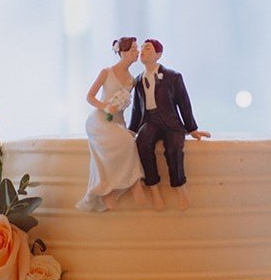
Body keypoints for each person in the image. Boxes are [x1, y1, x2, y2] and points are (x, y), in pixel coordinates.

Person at [128, 39, 210, 210]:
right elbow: (136, 108)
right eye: (141, 48)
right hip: (150, 121)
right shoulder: (138, 81)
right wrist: (131, 130)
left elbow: (184, 103)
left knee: (173, 148)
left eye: (147, 48)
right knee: (143, 143)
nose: (142, 51)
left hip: (170, 122)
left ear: (158, 54)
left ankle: (180, 189)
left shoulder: (173, 77)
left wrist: (192, 128)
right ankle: (154, 189)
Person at [77, 37, 146, 212]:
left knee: (126, 139)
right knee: (123, 143)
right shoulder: (106, 72)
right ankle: (116, 188)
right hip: (99, 120)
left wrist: (124, 128)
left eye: (136, 49)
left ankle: (130, 184)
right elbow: (89, 96)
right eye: (132, 49)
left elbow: (122, 110)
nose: (136, 52)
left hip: (116, 123)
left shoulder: (132, 80)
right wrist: (105, 107)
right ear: (122, 52)